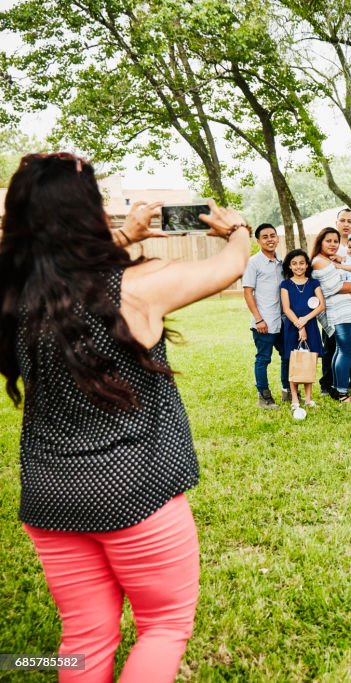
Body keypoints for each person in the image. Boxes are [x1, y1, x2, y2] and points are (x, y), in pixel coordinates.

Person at [0, 153, 251, 681]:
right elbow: (228, 268)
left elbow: (63, 280)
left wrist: (127, 237)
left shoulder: (14, 298)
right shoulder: (135, 289)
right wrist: (238, 230)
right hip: (135, 494)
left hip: (49, 499)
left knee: (83, 636)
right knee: (163, 625)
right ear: (89, 211)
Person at [318, 209, 351, 395]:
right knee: (331, 345)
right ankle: (328, 383)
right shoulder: (329, 246)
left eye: (350, 221)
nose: (346, 224)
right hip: (333, 307)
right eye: (343, 220)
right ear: (337, 222)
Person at [310, 227, 351, 403]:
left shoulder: (328, 260)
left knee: (341, 350)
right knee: (345, 351)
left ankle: (336, 387)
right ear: (320, 242)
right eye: (329, 241)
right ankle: (342, 392)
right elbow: (337, 287)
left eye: (335, 241)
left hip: (345, 310)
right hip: (341, 312)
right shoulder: (320, 261)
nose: (333, 244)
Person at [243, 223, 290, 408]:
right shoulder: (254, 263)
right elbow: (248, 292)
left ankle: (288, 392)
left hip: (283, 321)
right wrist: (259, 319)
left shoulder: (282, 262)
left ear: (277, 238)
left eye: (273, 235)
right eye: (265, 237)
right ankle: (264, 396)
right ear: (258, 241)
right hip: (265, 322)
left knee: (287, 356)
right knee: (263, 359)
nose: (270, 239)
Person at [280, 249, 326, 419]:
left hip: (311, 325)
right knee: (294, 362)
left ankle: (308, 398)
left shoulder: (314, 283)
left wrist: (304, 321)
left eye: (301, 263)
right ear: (289, 266)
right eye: (294, 263)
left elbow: (321, 306)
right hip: (292, 326)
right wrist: (298, 325)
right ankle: (294, 399)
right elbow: (286, 308)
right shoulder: (285, 285)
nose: (298, 266)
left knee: (309, 361)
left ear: (307, 265)